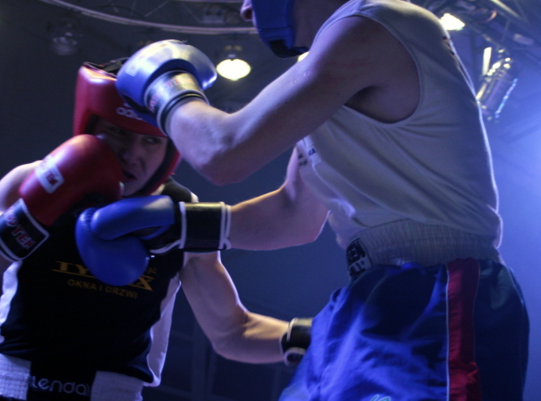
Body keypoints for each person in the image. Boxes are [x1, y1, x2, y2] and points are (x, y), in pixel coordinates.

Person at [103, 0, 531, 399]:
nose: (246, 9)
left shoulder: (375, 23)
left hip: (441, 287)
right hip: (371, 295)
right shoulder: (324, 62)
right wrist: (181, 225)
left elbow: (222, 153)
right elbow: (294, 214)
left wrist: (166, 86)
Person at [0, 59, 312, 401]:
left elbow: (233, 332)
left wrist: (321, 337)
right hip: (13, 390)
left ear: (171, 148)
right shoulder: (34, 181)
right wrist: (32, 215)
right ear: (91, 126)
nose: (132, 153)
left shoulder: (181, 213)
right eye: (117, 132)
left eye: (150, 140)